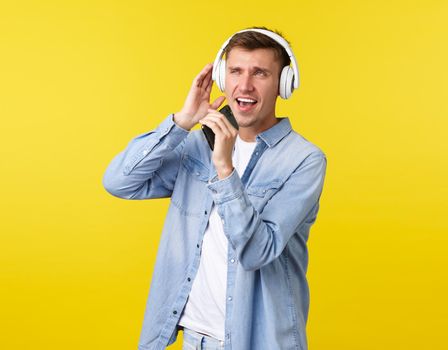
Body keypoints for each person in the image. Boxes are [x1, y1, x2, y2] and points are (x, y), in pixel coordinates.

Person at [103, 27, 327, 350]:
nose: (245, 85)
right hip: (195, 340)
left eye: (260, 73)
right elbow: (119, 181)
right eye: (235, 71)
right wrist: (181, 121)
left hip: (258, 341)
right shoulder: (196, 145)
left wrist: (225, 169)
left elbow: (256, 251)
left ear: (284, 84)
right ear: (224, 77)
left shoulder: (304, 160)